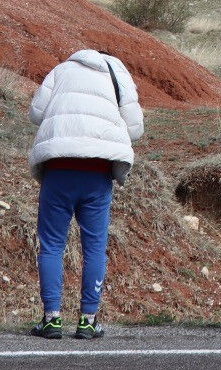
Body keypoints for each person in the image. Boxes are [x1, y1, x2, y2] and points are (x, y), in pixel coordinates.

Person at [26, 49, 143, 341]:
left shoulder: (60, 69)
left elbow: (35, 114)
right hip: (97, 171)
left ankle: (51, 320)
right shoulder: (117, 73)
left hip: (59, 167)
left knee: (51, 245)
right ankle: (88, 321)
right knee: (94, 247)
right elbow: (136, 129)